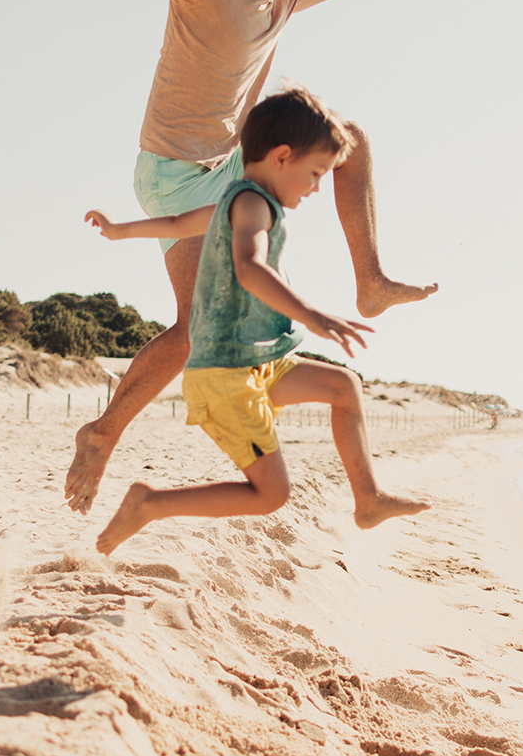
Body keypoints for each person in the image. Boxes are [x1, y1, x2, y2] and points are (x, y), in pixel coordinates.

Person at [10, 0, 438, 516]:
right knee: (191, 331)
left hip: (229, 158)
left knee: (349, 139)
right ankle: (101, 434)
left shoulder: (285, 0)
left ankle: (369, 282)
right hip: (175, 172)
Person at [83, 88, 430, 554]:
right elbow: (249, 267)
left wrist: (119, 230)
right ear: (282, 157)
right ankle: (149, 504)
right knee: (272, 494)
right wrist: (312, 316)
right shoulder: (253, 207)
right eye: (315, 174)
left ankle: (367, 500)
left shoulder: (237, 198)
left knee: (344, 387)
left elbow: (177, 224)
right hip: (226, 376)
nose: (315, 188)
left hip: (255, 365)